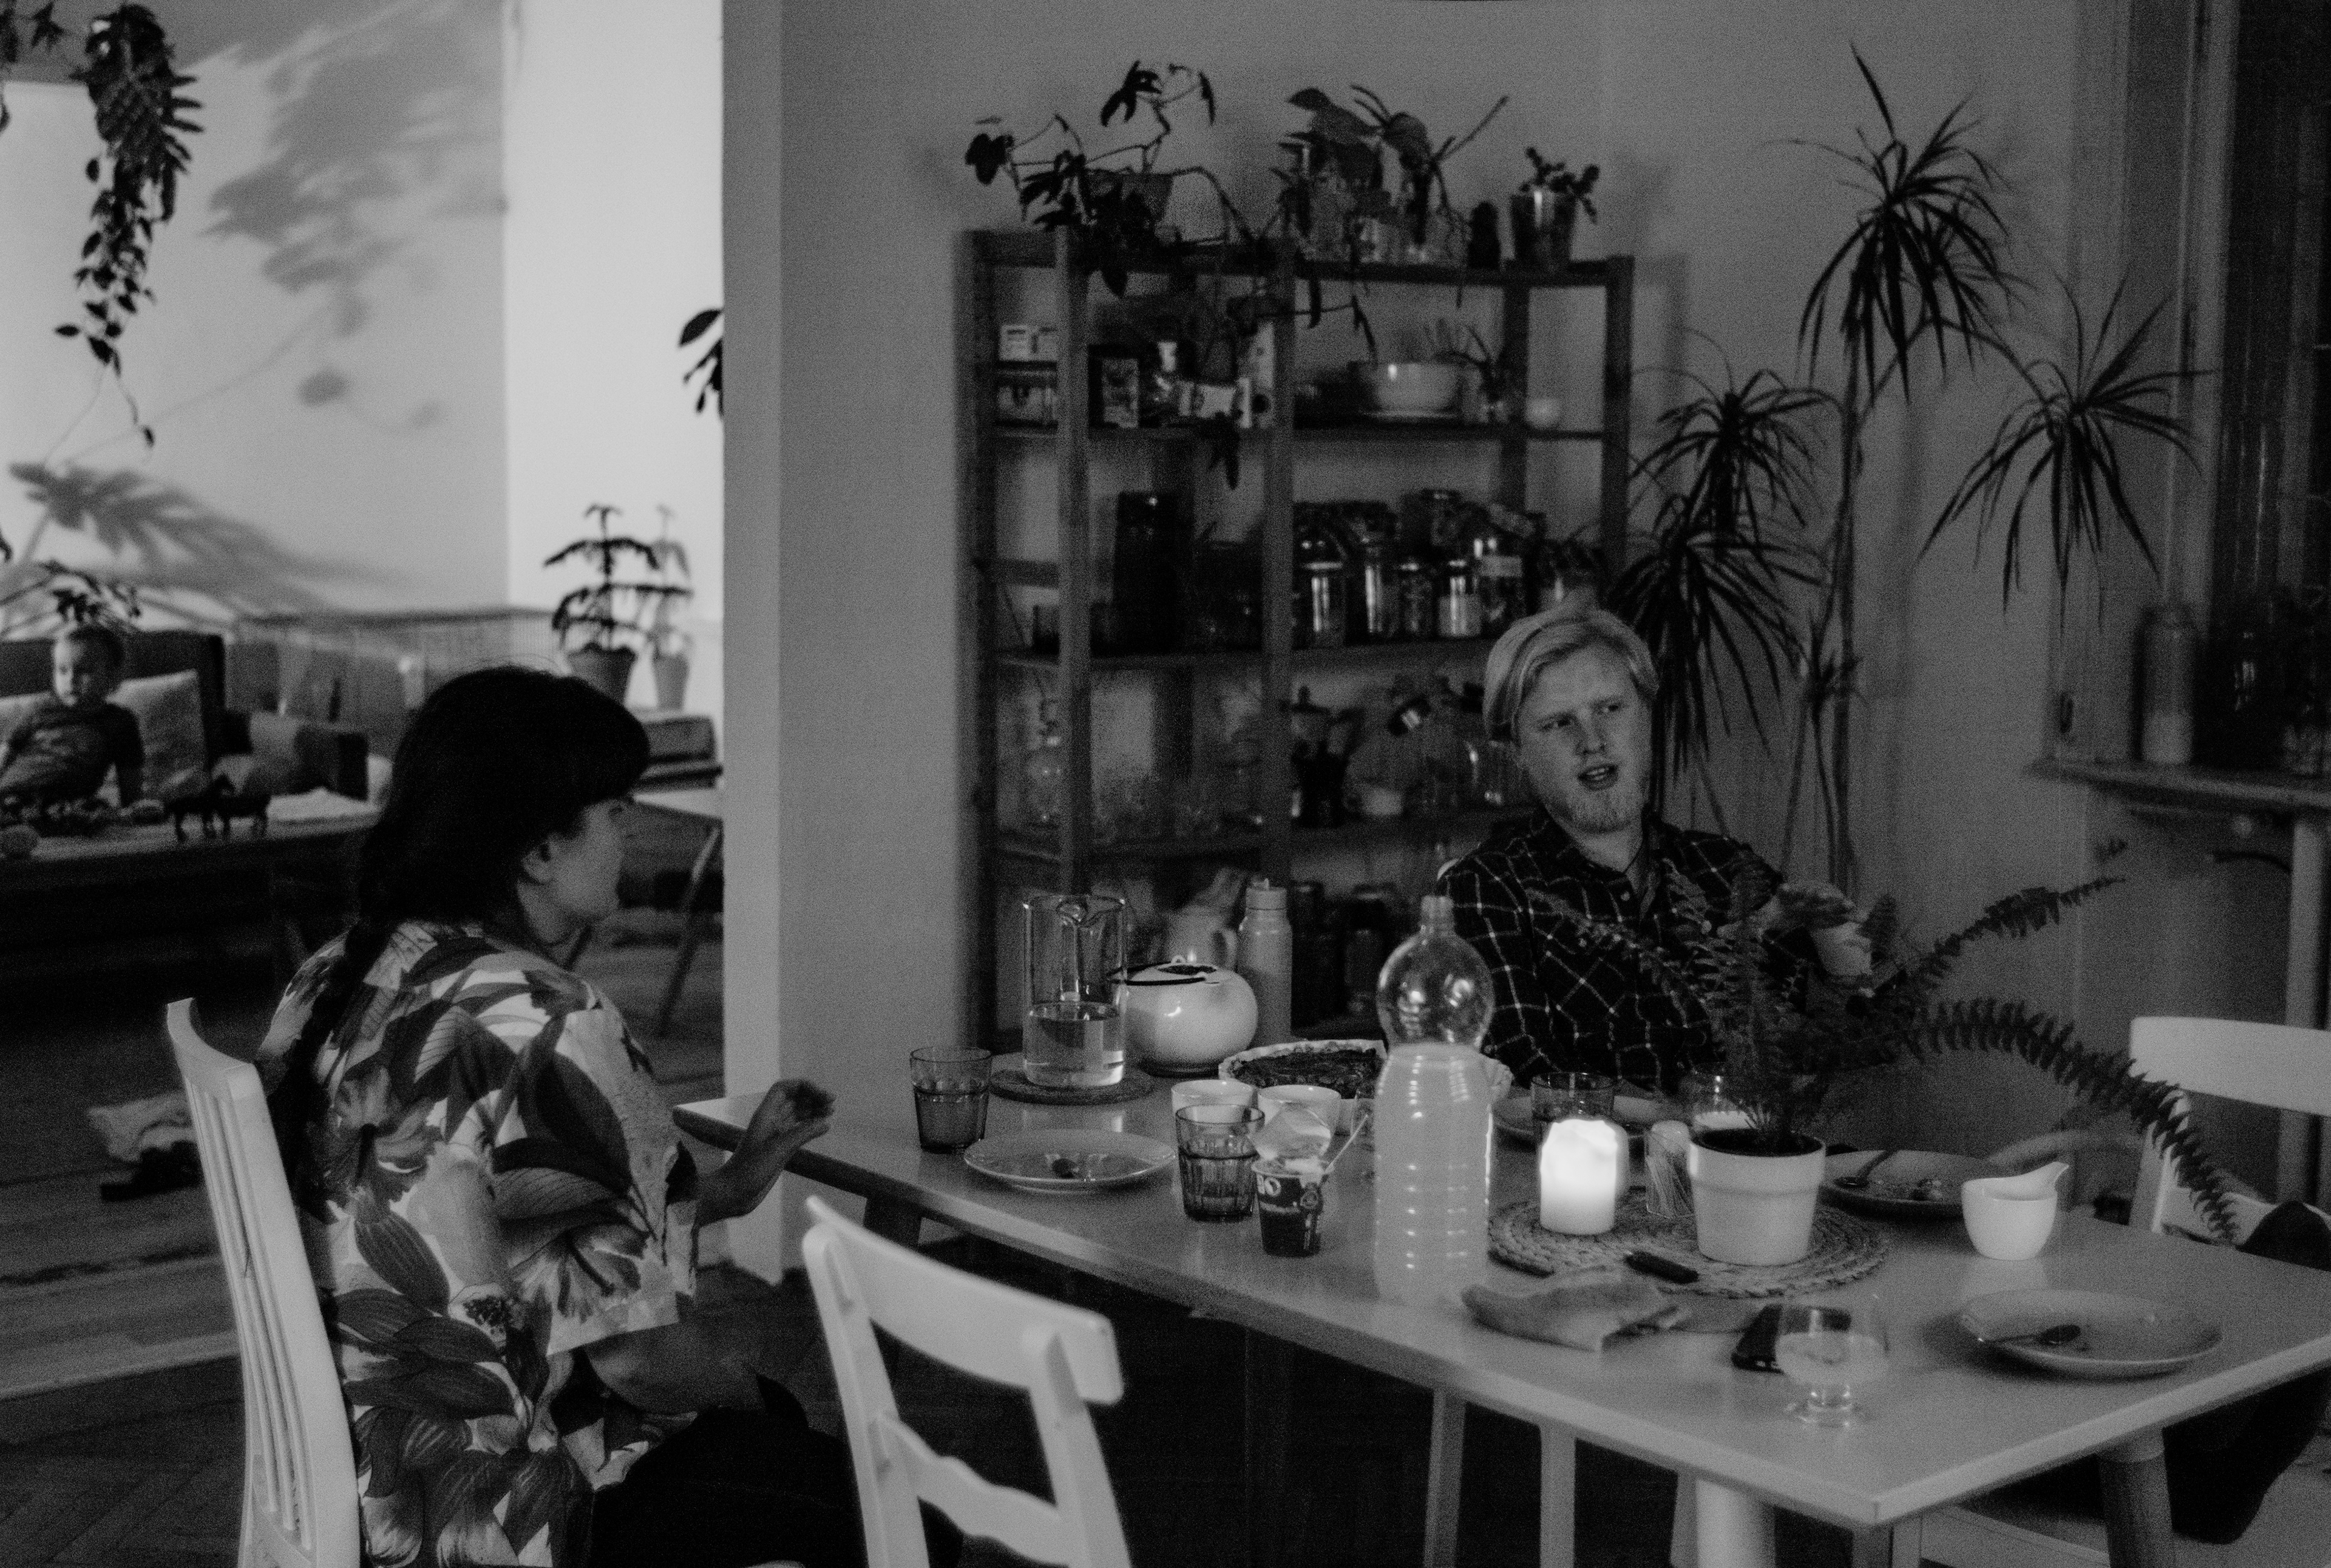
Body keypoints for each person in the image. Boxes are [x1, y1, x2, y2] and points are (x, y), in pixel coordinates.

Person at [257, 667, 863, 1568]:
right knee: (883, 1514)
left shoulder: (336, 974)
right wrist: (752, 1392)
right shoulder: (550, 1022)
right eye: (616, 810)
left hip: (357, 1476)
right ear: (541, 850)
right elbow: (637, 1361)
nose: (629, 831)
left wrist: (731, 1189)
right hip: (506, 1511)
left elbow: (486, 1223)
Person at [1436, 605, 1868, 1090]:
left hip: (1746, 1142)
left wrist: (1837, 944)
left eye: (1609, 708)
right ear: (1515, 751)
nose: (1592, 741)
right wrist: (1686, 1110)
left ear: (1646, 715)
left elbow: (1860, 1053)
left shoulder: (1728, 870)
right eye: (1558, 723)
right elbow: (1531, 1078)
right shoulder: (1485, 888)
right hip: (1601, 1143)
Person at [0, 622, 144, 804]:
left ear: (112, 677)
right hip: (11, 796)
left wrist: (133, 811)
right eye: (62, 670)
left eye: (84, 671)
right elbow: (8, 751)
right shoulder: (40, 709)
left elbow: (131, 781)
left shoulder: (120, 722)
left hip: (66, 806)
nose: (71, 679)